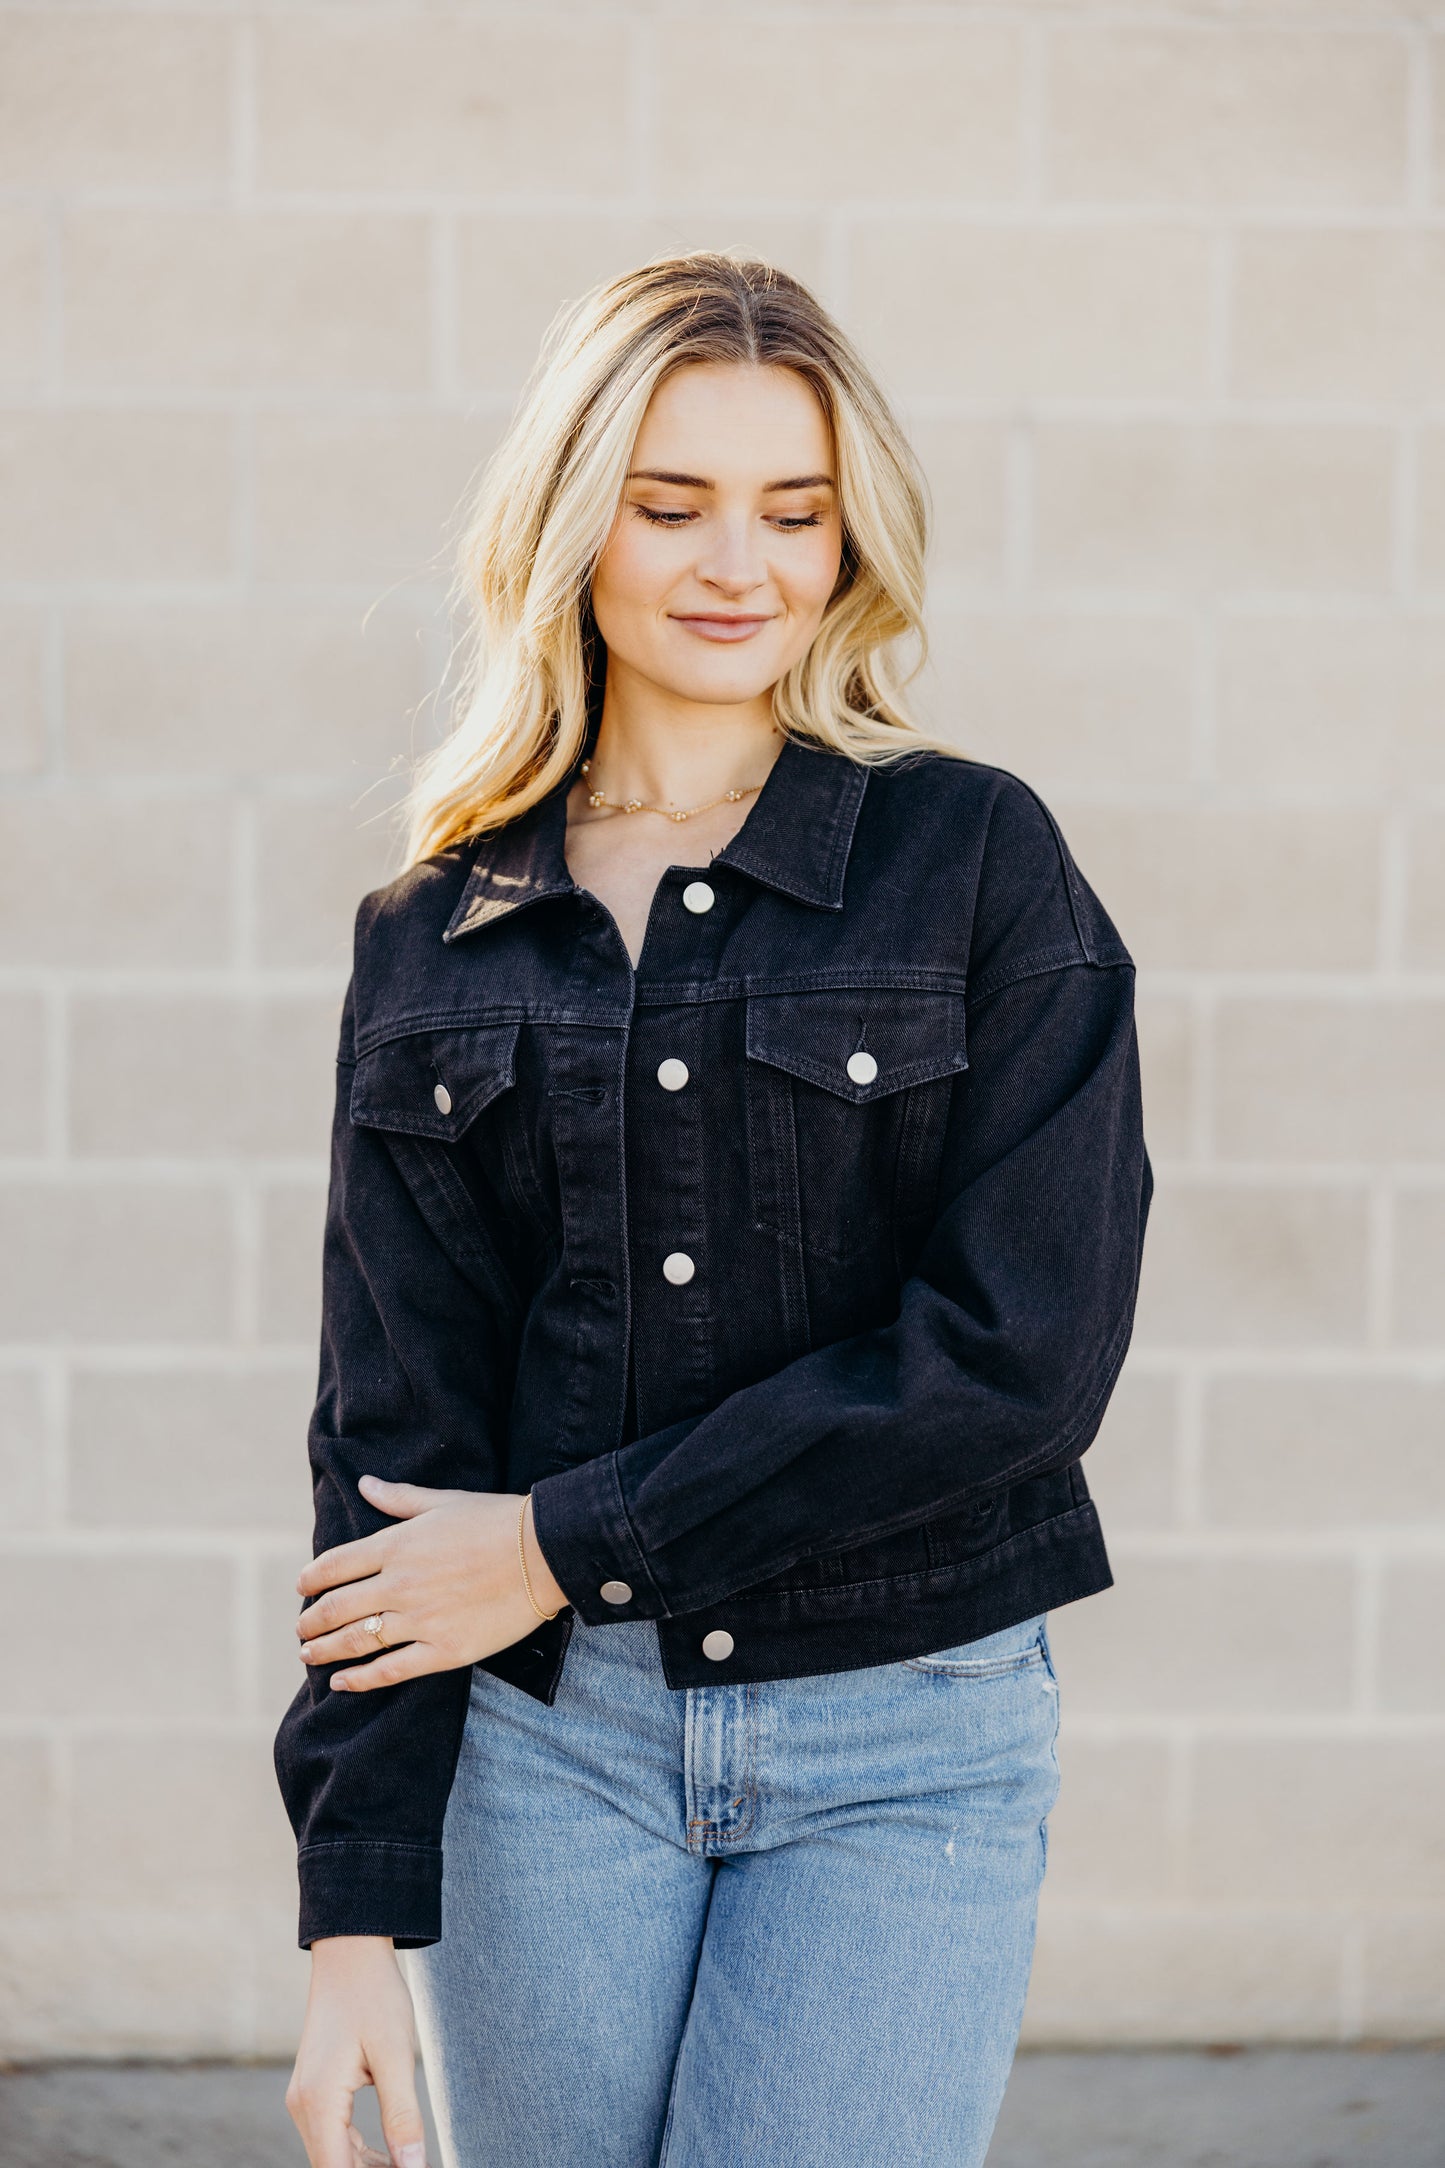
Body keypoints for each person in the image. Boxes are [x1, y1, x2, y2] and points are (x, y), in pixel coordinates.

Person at [274, 251, 1152, 2168]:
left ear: (853, 538)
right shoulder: (434, 935)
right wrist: (353, 1897)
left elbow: (1023, 1356)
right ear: (573, 526)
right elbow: (393, 1449)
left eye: (792, 509)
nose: (733, 561)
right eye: (670, 506)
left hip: (903, 1738)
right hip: (544, 1760)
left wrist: (568, 1538)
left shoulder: (974, 861)